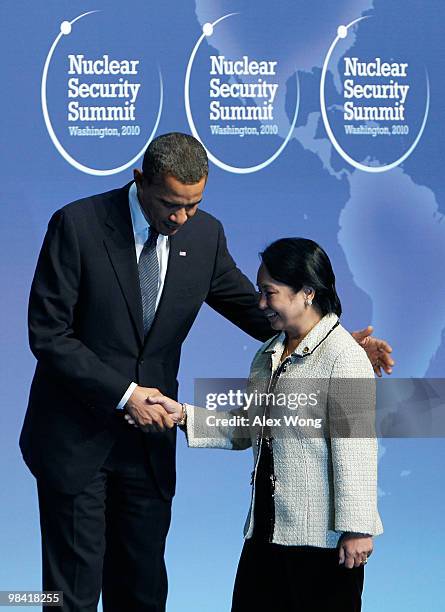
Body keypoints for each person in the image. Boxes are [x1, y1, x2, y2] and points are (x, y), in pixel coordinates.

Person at [20, 133, 391, 612]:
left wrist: (330, 340)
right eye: (171, 205)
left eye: (193, 205)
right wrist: (124, 393)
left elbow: (257, 310)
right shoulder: (77, 224)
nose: (181, 218)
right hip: (74, 440)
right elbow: (48, 334)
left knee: (143, 589)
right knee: (69, 593)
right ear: (141, 181)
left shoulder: (204, 234)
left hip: (148, 452)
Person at [146, 237, 383, 612]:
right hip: (264, 536)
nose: (260, 304)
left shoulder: (345, 358)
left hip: (323, 545)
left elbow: (356, 449)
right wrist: (183, 414)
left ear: (307, 292)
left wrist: (358, 528)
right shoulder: (267, 353)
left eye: (269, 293)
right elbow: (246, 427)